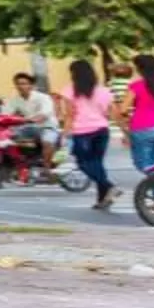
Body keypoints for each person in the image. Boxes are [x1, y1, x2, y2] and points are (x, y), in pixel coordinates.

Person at [65, 57, 116, 210]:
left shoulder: (70, 90)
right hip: (102, 130)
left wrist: (65, 132)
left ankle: (109, 186)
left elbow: (70, 114)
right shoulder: (103, 91)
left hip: (82, 131)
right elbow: (111, 113)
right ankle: (102, 199)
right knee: (97, 163)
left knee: (83, 163)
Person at [8, 70, 60, 177]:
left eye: (24, 83)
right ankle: (18, 165)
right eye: (18, 84)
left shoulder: (42, 97)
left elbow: (45, 113)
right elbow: (6, 112)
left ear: (31, 85)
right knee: (8, 138)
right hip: (29, 127)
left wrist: (34, 119)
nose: (20, 86)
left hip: (47, 126)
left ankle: (47, 167)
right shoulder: (15, 100)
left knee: (47, 141)